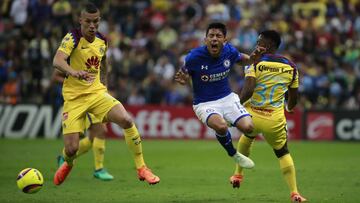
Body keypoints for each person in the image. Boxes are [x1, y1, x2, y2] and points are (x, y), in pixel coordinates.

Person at [52, 2, 159, 185]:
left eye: (95, 22)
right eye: (88, 22)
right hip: (74, 99)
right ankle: (68, 163)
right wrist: (72, 71)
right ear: (81, 20)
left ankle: (142, 168)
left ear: (99, 21)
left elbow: (103, 63)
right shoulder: (72, 38)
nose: (92, 26)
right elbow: (57, 60)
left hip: (96, 94)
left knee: (126, 120)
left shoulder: (102, 40)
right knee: (71, 149)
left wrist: (105, 85)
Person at [229, 30, 307, 202]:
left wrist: (235, 106)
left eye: (260, 42)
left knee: (248, 136)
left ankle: (237, 175)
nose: (257, 45)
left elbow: (248, 90)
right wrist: (290, 107)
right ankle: (294, 192)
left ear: (269, 45)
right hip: (274, 119)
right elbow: (293, 98)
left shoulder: (254, 61)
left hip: (252, 115)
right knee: (282, 152)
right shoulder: (291, 66)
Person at [175, 22, 264, 170]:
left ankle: (228, 120)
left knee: (249, 128)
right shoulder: (194, 57)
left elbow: (245, 60)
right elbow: (183, 74)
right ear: (205, 40)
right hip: (205, 103)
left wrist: (253, 58)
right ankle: (233, 153)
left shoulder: (230, 51)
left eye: (218, 36)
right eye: (211, 36)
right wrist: (183, 80)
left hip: (227, 98)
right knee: (221, 127)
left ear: (225, 40)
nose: (214, 39)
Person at [52, 69, 114, 181]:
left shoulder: (97, 54)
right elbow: (55, 76)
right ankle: (98, 169)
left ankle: (64, 157)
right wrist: (76, 81)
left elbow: (103, 73)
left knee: (92, 139)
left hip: (96, 95)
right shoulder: (71, 55)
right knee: (101, 131)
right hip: (81, 98)